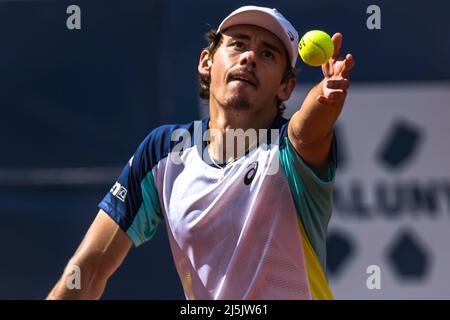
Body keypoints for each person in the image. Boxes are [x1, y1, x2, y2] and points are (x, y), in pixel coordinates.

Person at [47, 5, 354, 300]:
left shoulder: (290, 151)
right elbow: (88, 269)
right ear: (206, 62)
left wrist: (327, 94)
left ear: (286, 87)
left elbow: (309, 127)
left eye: (267, 54)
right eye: (238, 44)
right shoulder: (163, 152)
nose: (249, 57)